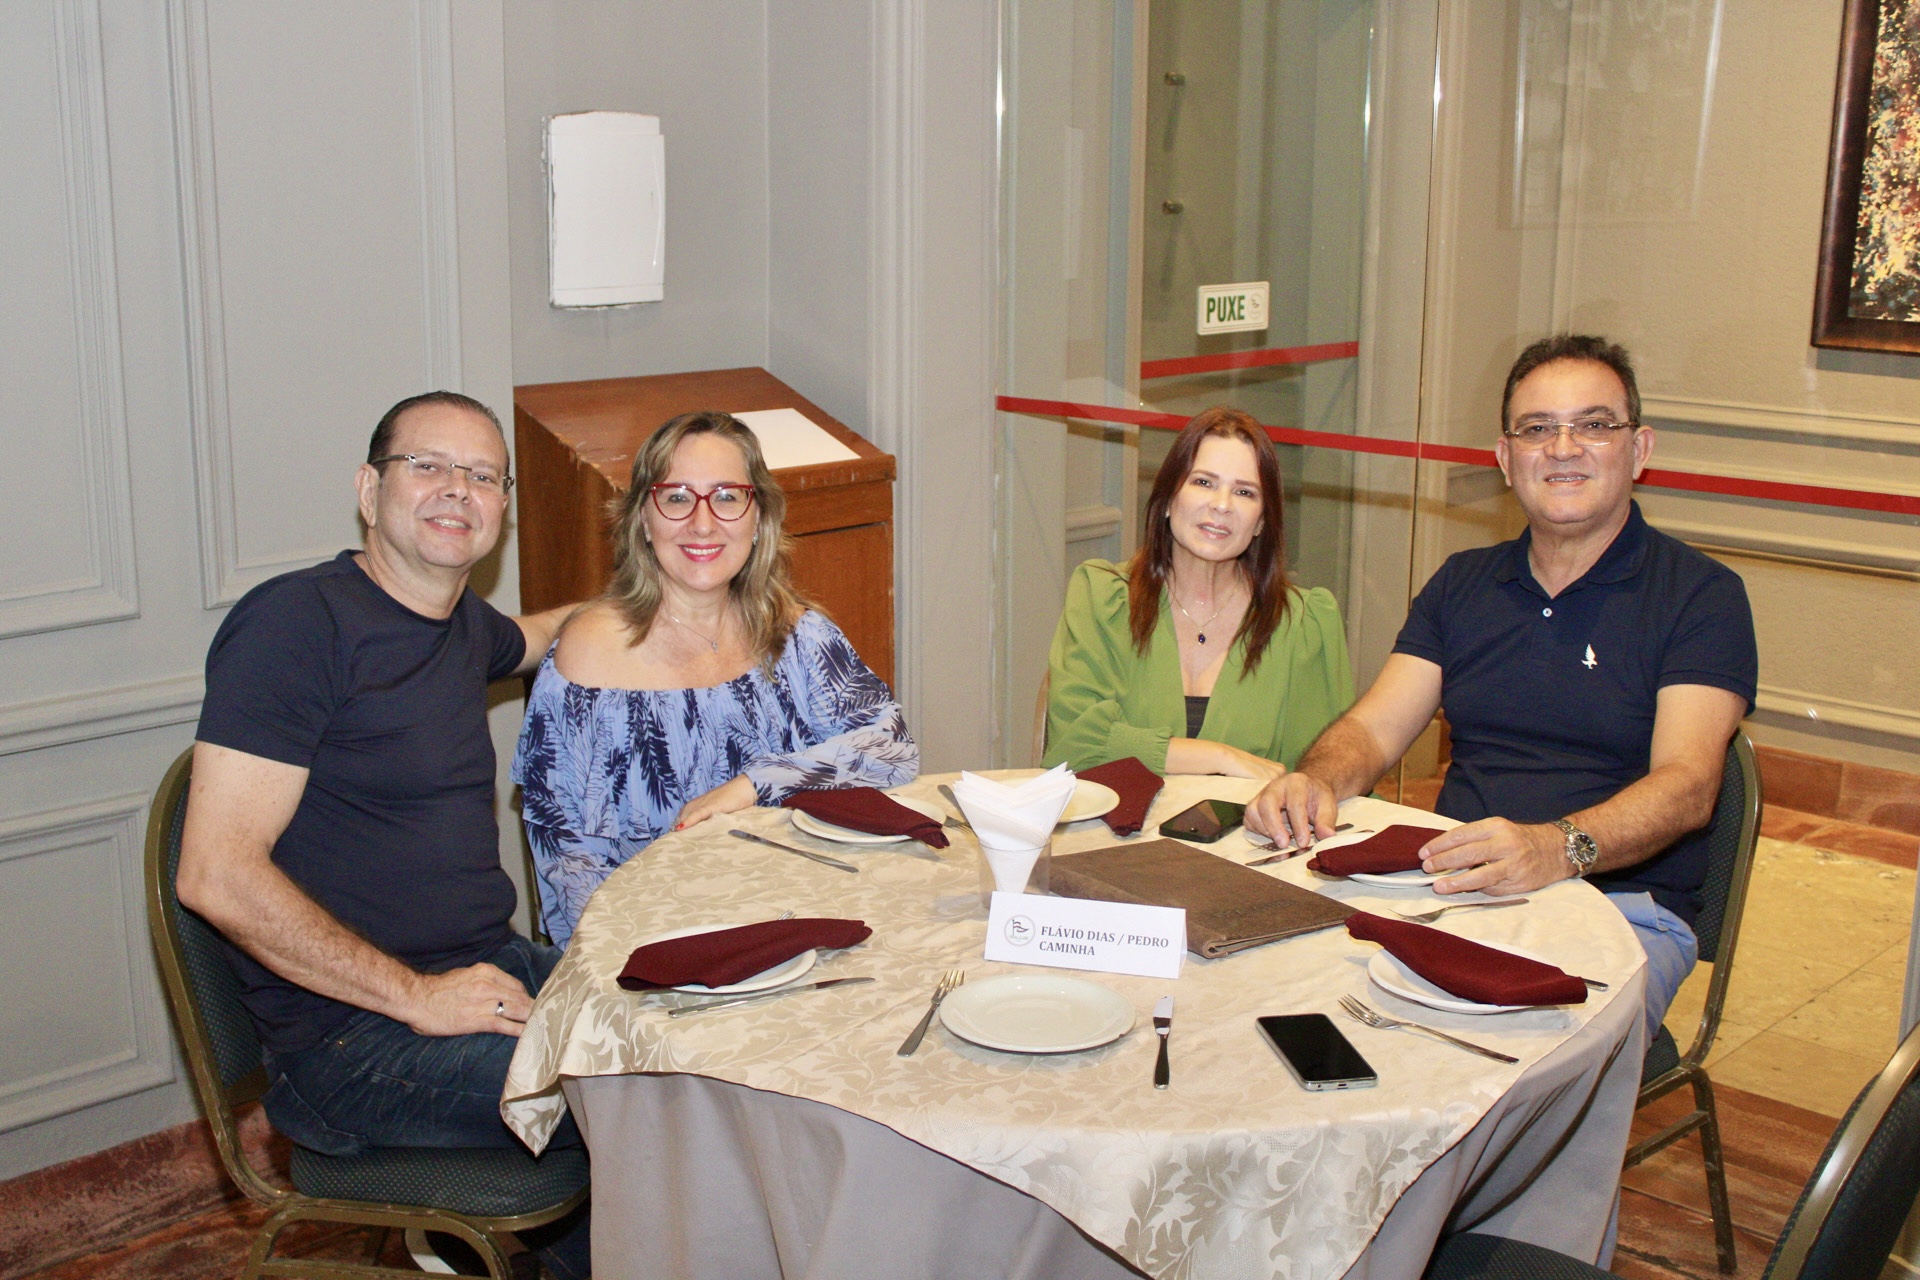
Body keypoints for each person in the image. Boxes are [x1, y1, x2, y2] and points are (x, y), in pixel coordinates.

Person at [178, 391, 591, 1277]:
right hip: (353, 1038)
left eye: (482, 476)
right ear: (370, 490)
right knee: (633, 1095)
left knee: (684, 1036)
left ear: (502, 509)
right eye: (427, 466)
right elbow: (215, 874)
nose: (457, 489)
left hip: (485, 969)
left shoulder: (459, 626)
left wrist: (664, 597)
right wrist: (415, 997)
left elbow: (537, 636)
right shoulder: (297, 624)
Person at [1248, 334, 1758, 1039]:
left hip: (1619, 909)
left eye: (1594, 425)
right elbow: (1372, 729)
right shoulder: (1464, 583)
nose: (1563, 449)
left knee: (1498, 1051)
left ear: (1639, 450)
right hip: (1452, 893)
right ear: (1505, 458)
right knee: (1284, 994)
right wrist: (1316, 781)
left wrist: (1556, 849)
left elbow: (1689, 786)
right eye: (1537, 429)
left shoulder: (1700, 597)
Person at [512, 411, 918, 947]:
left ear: (759, 517)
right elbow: (569, 863)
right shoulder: (589, 656)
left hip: (800, 926)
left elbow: (894, 750)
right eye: (677, 497)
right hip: (656, 949)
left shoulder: (798, 635)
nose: (702, 523)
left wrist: (754, 785)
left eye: (727, 497)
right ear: (643, 520)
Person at [1043, 406, 1355, 778]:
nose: (1222, 505)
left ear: (1261, 522)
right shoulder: (1102, 597)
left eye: (1244, 492)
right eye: (1204, 482)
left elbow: (1321, 774)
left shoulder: (1305, 624)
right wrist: (1218, 757)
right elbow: (1074, 745)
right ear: (1168, 499)